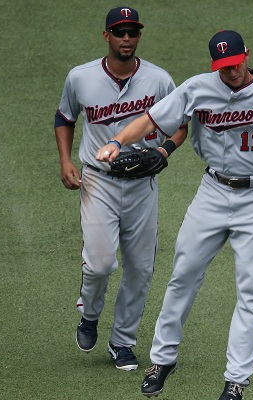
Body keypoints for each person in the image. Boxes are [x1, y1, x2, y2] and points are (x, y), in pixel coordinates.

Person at [95, 30, 253, 400]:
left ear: (247, 55)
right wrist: (118, 141)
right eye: (222, 67)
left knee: (251, 290)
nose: (230, 72)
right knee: (183, 274)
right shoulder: (197, 88)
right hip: (213, 190)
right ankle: (161, 361)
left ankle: (236, 380)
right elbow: (151, 120)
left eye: (235, 64)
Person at [55, 6, 187, 371]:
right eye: (119, 32)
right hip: (99, 181)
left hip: (143, 185)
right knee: (99, 265)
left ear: (139, 36)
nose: (126, 38)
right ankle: (90, 314)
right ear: (107, 36)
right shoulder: (80, 78)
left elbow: (180, 125)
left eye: (132, 32)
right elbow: (64, 118)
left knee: (140, 269)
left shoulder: (159, 80)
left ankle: (122, 342)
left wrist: (165, 149)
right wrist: (66, 161)